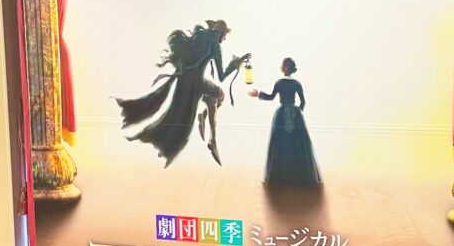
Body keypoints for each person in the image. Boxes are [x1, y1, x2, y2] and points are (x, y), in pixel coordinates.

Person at [116, 20, 249, 166]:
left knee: (209, 101)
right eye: (225, 35)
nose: (225, 39)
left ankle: (203, 118)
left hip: (184, 80)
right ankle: (213, 138)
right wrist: (237, 62)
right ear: (221, 33)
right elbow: (221, 76)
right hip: (197, 82)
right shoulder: (216, 47)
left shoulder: (200, 35)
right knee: (220, 95)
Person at [248, 58, 322, 186]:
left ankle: (283, 175)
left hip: (283, 115)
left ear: (285, 68)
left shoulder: (281, 83)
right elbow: (302, 102)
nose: (286, 68)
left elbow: (271, 97)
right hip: (293, 114)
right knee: (295, 143)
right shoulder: (295, 83)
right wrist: (297, 113)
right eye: (286, 66)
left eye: (287, 66)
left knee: (282, 143)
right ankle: (296, 175)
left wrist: (258, 94)